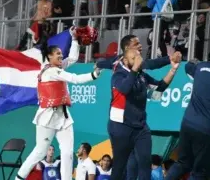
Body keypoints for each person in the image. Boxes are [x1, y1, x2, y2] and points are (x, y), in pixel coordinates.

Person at [14, 30, 101, 180]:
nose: (61, 56)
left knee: (67, 153)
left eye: (61, 54)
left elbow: (72, 58)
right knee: (40, 152)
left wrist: (74, 39)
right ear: (49, 57)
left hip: (63, 117)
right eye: (58, 54)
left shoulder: (58, 68)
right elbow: (73, 78)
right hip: (47, 117)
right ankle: (19, 178)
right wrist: (93, 75)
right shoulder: (51, 71)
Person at [96, 34, 181, 180]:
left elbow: (159, 87)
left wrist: (173, 68)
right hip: (120, 126)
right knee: (120, 167)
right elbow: (125, 89)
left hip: (140, 127)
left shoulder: (140, 73)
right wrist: (99, 65)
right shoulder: (118, 73)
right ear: (127, 52)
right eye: (136, 45)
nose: (140, 49)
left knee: (144, 163)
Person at [165, 59, 210, 179]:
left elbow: (188, 67)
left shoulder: (200, 68)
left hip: (187, 123)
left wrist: (196, 62)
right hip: (205, 129)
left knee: (182, 163)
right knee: (199, 171)